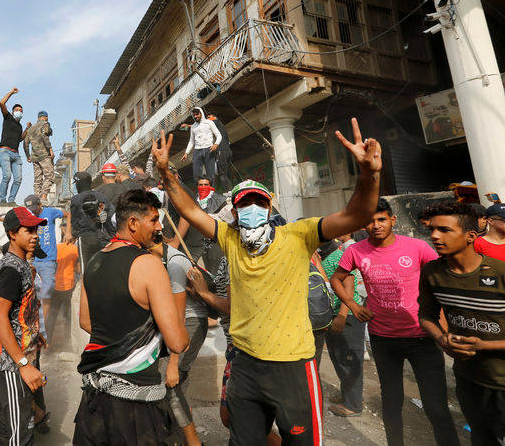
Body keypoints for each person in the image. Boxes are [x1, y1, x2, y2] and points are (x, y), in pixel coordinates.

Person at [153, 118, 382, 445]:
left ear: (270, 204)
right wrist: (166, 173)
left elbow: (356, 217)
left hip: (294, 367)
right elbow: (191, 212)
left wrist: (369, 176)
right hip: (245, 366)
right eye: (243, 203)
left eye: (258, 202)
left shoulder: (299, 234)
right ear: (233, 211)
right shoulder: (230, 239)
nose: (251, 209)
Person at [332, 198, 460, 446]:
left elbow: (440, 281)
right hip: (383, 339)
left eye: (381, 219)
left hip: (422, 336)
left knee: (436, 407)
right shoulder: (355, 251)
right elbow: (338, 278)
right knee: (391, 402)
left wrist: (443, 326)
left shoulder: (417, 247)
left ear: (392, 220)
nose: (376, 225)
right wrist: (354, 305)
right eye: (370, 221)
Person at [74, 189, 188, 445]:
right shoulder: (148, 264)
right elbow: (178, 342)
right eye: (154, 220)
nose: (159, 227)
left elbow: (85, 321)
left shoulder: (93, 262)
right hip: (136, 404)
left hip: (94, 399)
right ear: (133, 223)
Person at [418, 201, 505, 446]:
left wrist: (484, 346)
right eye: (432, 230)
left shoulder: (499, 272)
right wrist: (441, 339)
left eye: (445, 230)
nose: (434, 235)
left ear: (470, 236)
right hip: (468, 379)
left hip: (502, 382)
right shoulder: (431, 272)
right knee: (481, 437)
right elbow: (425, 315)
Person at [0, 207, 47, 445]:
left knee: (16, 425)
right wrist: (22, 363)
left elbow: (20, 311)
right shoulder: (11, 268)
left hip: (22, 356)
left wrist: (34, 335)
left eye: (36, 230)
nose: (35, 235)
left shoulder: (22, 265)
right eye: (28, 230)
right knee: (17, 433)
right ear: (12, 233)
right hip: (12, 364)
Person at [149, 233, 207, 446]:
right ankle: (180, 437)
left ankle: (192, 441)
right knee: (179, 384)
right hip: (177, 323)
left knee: (170, 380)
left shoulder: (174, 263)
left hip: (189, 322)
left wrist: (173, 361)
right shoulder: (160, 260)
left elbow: (179, 315)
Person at [320, 233, 366, 417]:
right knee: (339, 357)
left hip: (347, 317)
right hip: (336, 315)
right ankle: (350, 395)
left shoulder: (340, 256)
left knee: (349, 359)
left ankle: (353, 405)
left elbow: (349, 285)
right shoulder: (325, 258)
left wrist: (342, 315)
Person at [24, 194, 68, 335]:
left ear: (39, 204)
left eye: (34, 208)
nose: (33, 211)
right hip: (35, 260)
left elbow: (68, 214)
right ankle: (35, 323)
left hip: (49, 261)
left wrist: (69, 232)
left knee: (46, 292)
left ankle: (41, 323)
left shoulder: (50, 212)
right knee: (31, 293)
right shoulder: (30, 217)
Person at [69, 172, 116, 270]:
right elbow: (110, 215)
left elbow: (74, 222)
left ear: (78, 183)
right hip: (104, 237)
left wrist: (75, 234)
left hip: (86, 238)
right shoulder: (102, 196)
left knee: (86, 270)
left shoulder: (76, 199)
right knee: (103, 269)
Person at [45, 219, 79, 350]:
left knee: (52, 315)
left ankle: (47, 342)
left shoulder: (55, 248)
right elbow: (78, 270)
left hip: (55, 286)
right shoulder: (75, 251)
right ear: (75, 239)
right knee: (67, 316)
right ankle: (68, 343)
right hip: (69, 286)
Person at [0, 87, 27, 206]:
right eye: (17, 109)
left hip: (16, 154)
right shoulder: (8, 117)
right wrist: (11, 92)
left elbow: (20, 138)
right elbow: (1, 103)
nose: (19, 111)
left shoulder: (19, 126)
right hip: (5, 151)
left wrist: (27, 129)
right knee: (7, 176)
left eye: (21, 110)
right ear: (13, 111)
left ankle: (11, 200)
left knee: (18, 179)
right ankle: (2, 200)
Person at [181, 107, 221, 184]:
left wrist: (216, 144)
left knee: (210, 174)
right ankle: (199, 193)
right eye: (194, 115)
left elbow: (219, 135)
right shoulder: (193, 126)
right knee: (196, 174)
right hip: (197, 151)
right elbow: (191, 141)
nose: (195, 116)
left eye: (197, 114)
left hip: (209, 149)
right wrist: (186, 153)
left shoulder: (209, 123)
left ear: (201, 113)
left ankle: (212, 193)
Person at [23, 110, 54, 203]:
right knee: (49, 176)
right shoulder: (45, 124)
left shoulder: (31, 128)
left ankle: (37, 199)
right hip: (44, 154)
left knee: (38, 179)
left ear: (38, 117)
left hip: (35, 157)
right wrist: (50, 149)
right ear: (46, 117)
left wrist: (28, 156)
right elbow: (45, 136)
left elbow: (25, 143)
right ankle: (44, 197)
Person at [209, 114, 232, 193]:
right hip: (227, 151)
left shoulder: (216, 122)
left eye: (209, 117)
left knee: (222, 175)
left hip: (222, 151)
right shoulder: (220, 127)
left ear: (214, 117)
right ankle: (229, 191)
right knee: (225, 174)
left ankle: (227, 192)